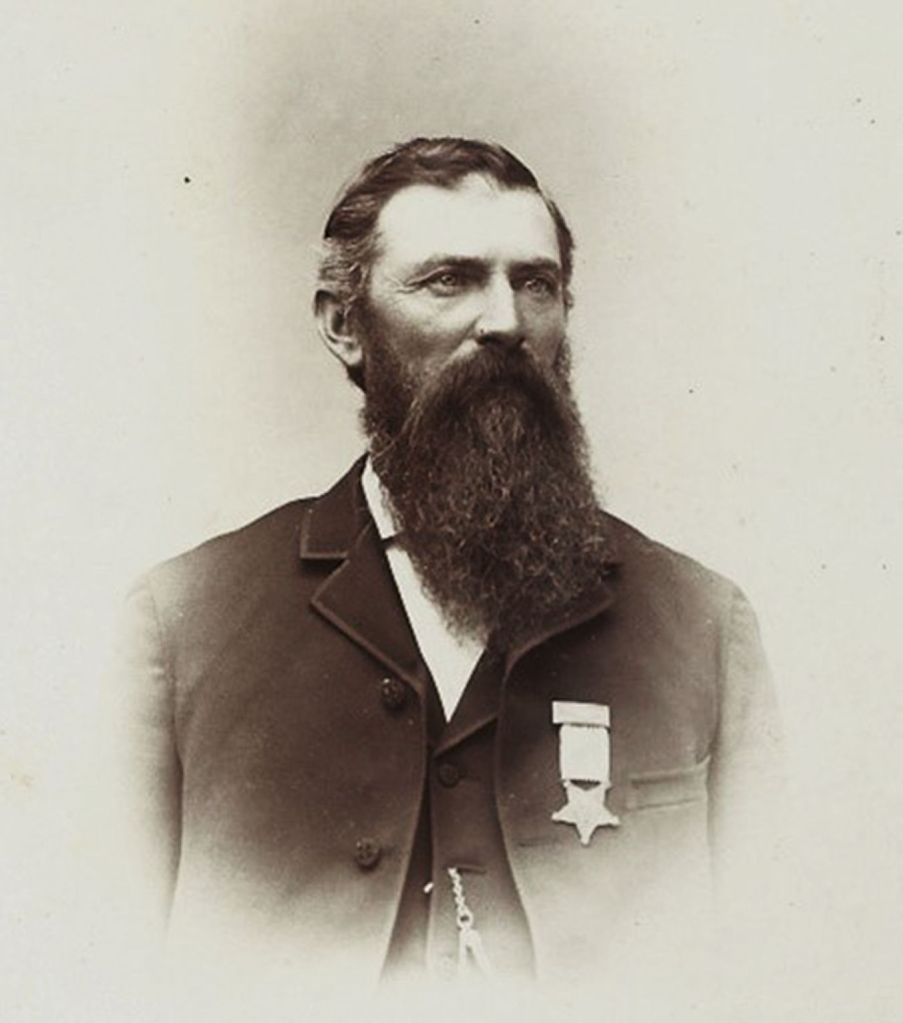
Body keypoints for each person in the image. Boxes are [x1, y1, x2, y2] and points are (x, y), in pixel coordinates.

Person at [113, 137, 782, 1012]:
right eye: (449, 280)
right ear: (344, 325)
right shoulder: (185, 621)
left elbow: (777, 971)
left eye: (534, 283)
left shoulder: (699, 624)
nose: (504, 320)